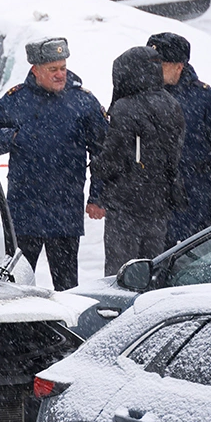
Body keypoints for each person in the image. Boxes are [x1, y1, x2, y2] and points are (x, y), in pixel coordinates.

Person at [0, 37, 108, 291]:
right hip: (25, 209)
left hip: (65, 209)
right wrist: (15, 137)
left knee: (68, 286)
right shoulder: (16, 100)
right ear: (35, 69)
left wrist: (97, 196)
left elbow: (102, 152)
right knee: (16, 285)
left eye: (63, 67)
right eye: (53, 69)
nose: (60, 74)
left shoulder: (82, 102)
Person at [87, 46, 186, 276]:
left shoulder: (125, 107)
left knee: (120, 273)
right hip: (160, 203)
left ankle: (118, 311)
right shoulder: (172, 104)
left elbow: (113, 157)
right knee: (150, 271)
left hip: (127, 206)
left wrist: (97, 164)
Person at [146, 32, 211, 247]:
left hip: (197, 194)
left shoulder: (204, 97)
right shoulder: (144, 93)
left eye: (161, 64)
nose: (154, 69)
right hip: (156, 196)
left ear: (179, 66)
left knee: (196, 257)